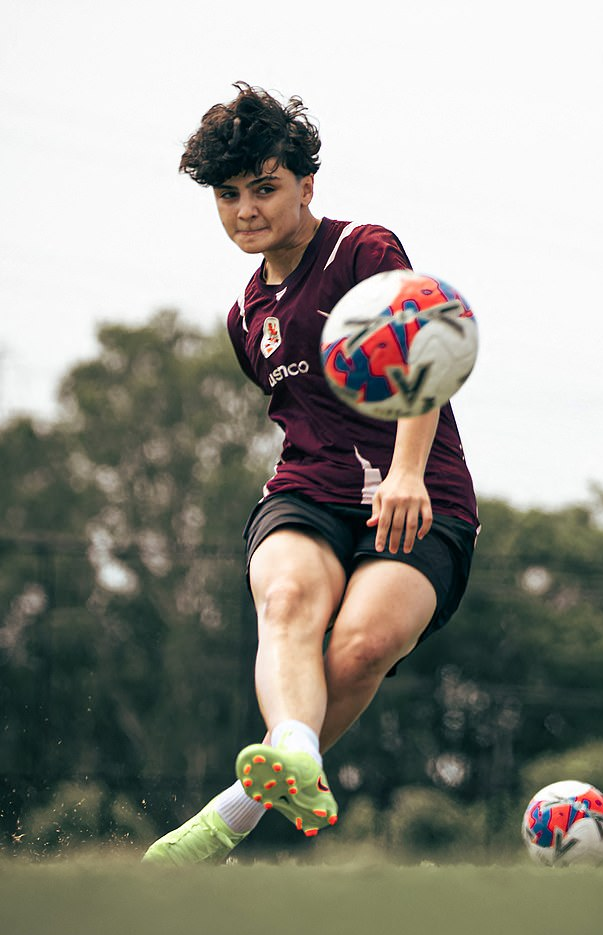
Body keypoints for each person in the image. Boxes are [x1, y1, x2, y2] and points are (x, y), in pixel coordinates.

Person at [143, 82, 479, 865]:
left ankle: (235, 810)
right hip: (308, 490)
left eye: (264, 187)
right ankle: (293, 745)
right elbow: (301, 420)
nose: (246, 210)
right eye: (228, 195)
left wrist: (405, 472)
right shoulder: (245, 319)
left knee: (362, 646)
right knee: (288, 596)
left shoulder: (363, 250)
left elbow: (421, 346)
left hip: (421, 492)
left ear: (305, 184)